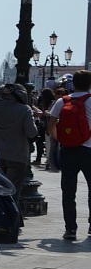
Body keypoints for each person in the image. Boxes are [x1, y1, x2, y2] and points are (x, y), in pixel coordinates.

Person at [48, 70, 91, 241]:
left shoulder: (62, 101)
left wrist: (63, 140)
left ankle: (70, 229)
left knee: (68, 192)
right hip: (89, 150)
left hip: (68, 151)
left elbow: (50, 126)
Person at [0, 83, 37, 232]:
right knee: (13, 191)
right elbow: (31, 133)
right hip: (17, 155)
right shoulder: (25, 110)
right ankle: (10, 223)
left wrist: (3, 88)